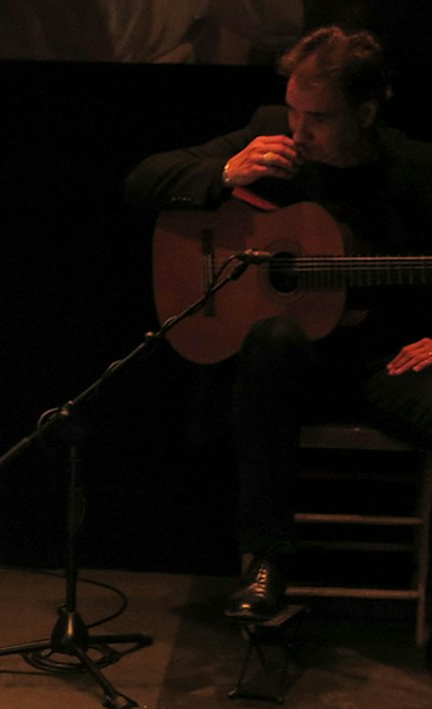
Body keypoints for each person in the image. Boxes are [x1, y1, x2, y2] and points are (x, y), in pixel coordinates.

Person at [124, 26, 432, 619]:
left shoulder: (414, 170)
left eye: (317, 117)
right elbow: (141, 180)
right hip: (287, 372)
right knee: (272, 336)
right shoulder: (269, 136)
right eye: (292, 110)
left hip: (383, 363)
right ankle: (265, 561)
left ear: (366, 112)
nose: (297, 130)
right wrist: (225, 172)